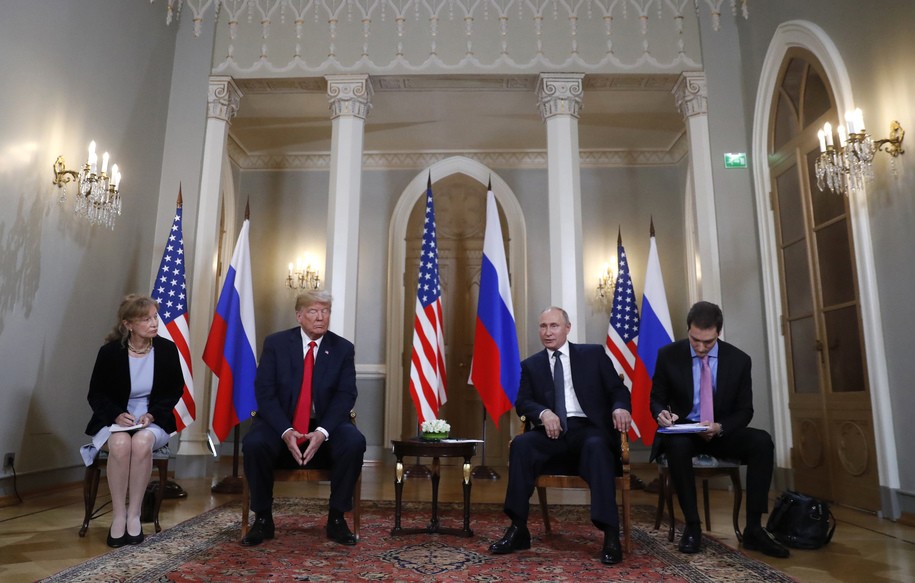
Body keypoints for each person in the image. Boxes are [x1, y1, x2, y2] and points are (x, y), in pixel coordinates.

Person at [489, 306, 632, 565]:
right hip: (552, 434)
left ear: (567, 328)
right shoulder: (531, 365)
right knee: (521, 445)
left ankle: (611, 534)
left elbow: (618, 390)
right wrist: (543, 413)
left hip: (588, 430)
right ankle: (518, 528)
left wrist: (620, 407)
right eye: (543, 326)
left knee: (597, 447)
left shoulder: (593, 354)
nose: (548, 332)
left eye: (554, 326)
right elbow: (523, 402)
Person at [649, 300, 789, 558]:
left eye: (708, 342)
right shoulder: (669, 355)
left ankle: (754, 529)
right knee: (677, 445)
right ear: (688, 330)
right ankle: (692, 526)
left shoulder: (739, 360)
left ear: (719, 333)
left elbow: (745, 411)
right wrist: (661, 414)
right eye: (695, 340)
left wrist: (720, 427)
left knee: (762, 442)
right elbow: (657, 398)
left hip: (721, 431)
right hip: (685, 432)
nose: (701, 348)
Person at [241, 290, 366, 547]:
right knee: (254, 443)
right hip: (281, 423)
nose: (320, 317)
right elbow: (265, 393)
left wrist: (322, 432)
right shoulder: (276, 344)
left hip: (325, 424)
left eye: (325, 311)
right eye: (313, 311)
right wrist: (286, 431)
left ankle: (336, 518)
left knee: (354, 442)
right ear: (299, 316)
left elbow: (346, 395)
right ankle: (263, 518)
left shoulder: (342, 348)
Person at [84, 294, 183, 548]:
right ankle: (119, 516)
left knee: (141, 442)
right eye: (146, 319)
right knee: (120, 445)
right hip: (114, 419)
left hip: (153, 420)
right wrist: (116, 415)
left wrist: (152, 414)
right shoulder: (109, 353)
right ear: (128, 324)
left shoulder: (167, 350)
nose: (154, 323)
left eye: (155, 317)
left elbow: (174, 391)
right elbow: (96, 394)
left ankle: (134, 515)